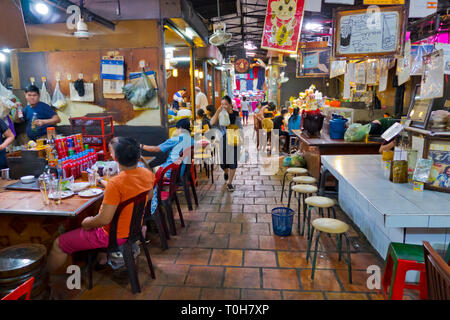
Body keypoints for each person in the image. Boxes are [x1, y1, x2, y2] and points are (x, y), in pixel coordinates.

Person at [47, 137, 155, 272]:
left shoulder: (116, 183)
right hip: (134, 228)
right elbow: (148, 196)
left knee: (60, 243)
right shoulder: (147, 174)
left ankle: (46, 283)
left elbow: (104, 219)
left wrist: (86, 223)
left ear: (115, 158)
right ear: (138, 157)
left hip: (112, 235)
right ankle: (101, 256)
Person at [210, 95, 242, 192]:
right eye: (222, 104)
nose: (224, 106)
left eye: (226, 104)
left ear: (230, 105)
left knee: (233, 162)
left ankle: (230, 183)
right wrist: (218, 111)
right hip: (223, 140)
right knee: (223, 163)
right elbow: (211, 123)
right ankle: (225, 171)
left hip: (233, 139)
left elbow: (239, 127)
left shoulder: (235, 114)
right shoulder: (219, 114)